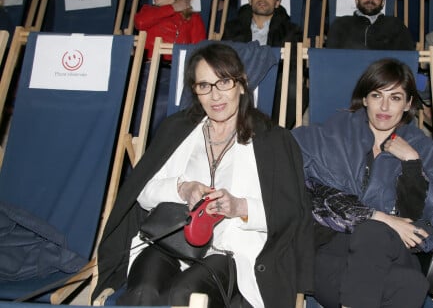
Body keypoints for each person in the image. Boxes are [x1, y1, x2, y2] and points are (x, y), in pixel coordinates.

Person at [92, 43, 314, 307]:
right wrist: (182, 189)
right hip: (171, 241)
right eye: (204, 86)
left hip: (231, 251)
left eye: (223, 82)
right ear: (195, 91)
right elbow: (142, 193)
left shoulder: (272, 140)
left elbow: (292, 213)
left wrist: (240, 207)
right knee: (143, 292)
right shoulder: (179, 130)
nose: (215, 96)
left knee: (186, 294)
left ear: (241, 85)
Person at [292, 58, 433, 307]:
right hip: (332, 250)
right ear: (364, 99)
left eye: (395, 98)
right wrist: (375, 216)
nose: (384, 106)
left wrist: (412, 164)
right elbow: (293, 174)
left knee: (375, 235)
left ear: (408, 104)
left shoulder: (420, 148)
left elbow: (425, 216)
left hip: (394, 251)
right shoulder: (332, 134)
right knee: (411, 284)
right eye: (376, 95)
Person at [221, 0, 303, 128]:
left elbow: (291, 66)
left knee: (293, 87)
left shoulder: (291, 30)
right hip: (239, 76)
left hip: (274, 77)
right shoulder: (233, 27)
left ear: (278, 2)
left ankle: (274, 129)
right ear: (250, 0)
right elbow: (223, 59)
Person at [133, 0, 206, 134]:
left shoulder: (193, 18)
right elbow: (140, 22)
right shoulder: (148, 11)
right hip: (147, 71)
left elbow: (199, 51)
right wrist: (173, 8)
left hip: (177, 73)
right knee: (145, 110)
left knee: (167, 108)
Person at [326, 0, 415, 50]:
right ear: (357, 0)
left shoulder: (396, 25)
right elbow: (331, 59)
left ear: (383, 2)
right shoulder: (340, 24)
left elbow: (406, 59)